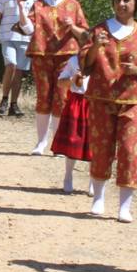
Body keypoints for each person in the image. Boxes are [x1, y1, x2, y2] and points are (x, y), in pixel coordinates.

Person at [84, 0, 137, 222]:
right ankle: (98, 198)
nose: (122, 4)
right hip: (101, 99)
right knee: (101, 147)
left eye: (127, 0)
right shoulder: (99, 31)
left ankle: (125, 205)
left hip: (132, 101)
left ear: (136, 4)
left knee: (128, 150)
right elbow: (85, 65)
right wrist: (95, 47)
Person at [20, 0, 89, 155]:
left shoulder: (73, 5)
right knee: (43, 98)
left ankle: (57, 143)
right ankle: (41, 142)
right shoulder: (39, 4)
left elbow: (85, 34)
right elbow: (27, 28)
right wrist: (20, 9)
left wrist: (71, 26)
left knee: (61, 98)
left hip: (66, 57)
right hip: (42, 55)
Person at [50, 50, 92, 194]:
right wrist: (73, 79)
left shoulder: (103, 60)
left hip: (96, 103)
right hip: (78, 101)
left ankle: (93, 181)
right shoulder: (74, 61)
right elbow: (61, 82)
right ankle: (68, 176)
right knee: (72, 141)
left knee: (95, 143)